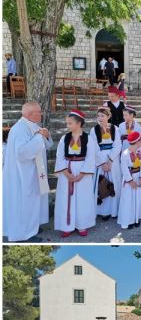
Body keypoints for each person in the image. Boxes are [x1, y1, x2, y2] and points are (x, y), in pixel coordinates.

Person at [3, 102, 52, 242]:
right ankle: (23, 235)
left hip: (33, 173)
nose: (41, 114)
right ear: (31, 114)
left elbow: (46, 145)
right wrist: (38, 138)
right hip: (22, 175)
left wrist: (46, 135)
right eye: (39, 112)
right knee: (24, 203)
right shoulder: (19, 129)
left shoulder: (32, 125)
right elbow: (22, 153)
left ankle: (32, 227)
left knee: (33, 201)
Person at [53, 110, 97, 238]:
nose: (68, 126)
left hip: (83, 172)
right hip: (67, 171)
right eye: (67, 123)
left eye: (70, 123)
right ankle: (66, 226)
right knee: (66, 199)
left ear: (79, 123)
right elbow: (59, 156)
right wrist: (66, 173)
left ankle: (82, 224)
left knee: (82, 198)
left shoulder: (88, 138)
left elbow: (90, 157)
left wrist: (82, 174)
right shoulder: (64, 138)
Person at [117, 130, 141, 230]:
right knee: (128, 200)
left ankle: (136, 219)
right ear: (137, 142)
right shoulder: (125, 154)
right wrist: (130, 181)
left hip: (138, 177)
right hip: (130, 179)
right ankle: (128, 220)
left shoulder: (140, 151)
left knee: (138, 199)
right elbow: (124, 168)